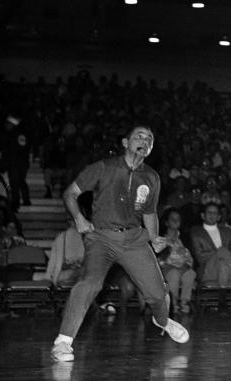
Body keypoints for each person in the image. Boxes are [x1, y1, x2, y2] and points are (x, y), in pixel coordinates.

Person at [50, 126, 189, 363]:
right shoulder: (103, 167)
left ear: (151, 148)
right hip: (102, 237)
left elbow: (149, 212)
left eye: (149, 139)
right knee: (89, 283)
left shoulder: (152, 177)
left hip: (134, 239)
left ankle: (162, 321)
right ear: (125, 142)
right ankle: (62, 342)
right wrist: (79, 219)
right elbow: (69, 193)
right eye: (139, 136)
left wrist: (154, 237)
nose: (144, 140)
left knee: (157, 294)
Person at [189, 202, 231, 287]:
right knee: (222, 250)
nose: (212, 215)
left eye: (215, 213)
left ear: (219, 217)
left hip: (228, 268)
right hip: (208, 269)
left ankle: (222, 294)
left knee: (222, 264)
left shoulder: (227, 231)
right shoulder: (196, 232)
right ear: (203, 215)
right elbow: (200, 257)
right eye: (209, 212)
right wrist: (219, 252)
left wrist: (224, 256)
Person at [157, 208, 197, 315]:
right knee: (174, 273)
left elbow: (191, 257)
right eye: (172, 219)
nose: (176, 221)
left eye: (178, 219)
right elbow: (159, 260)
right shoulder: (161, 239)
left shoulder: (185, 238)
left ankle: (185, 304)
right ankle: (173, 304)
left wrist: (187, 265)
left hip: (183, 268)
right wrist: (171, 264)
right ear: (166, 222)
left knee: (190, 273)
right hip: (166, 269)